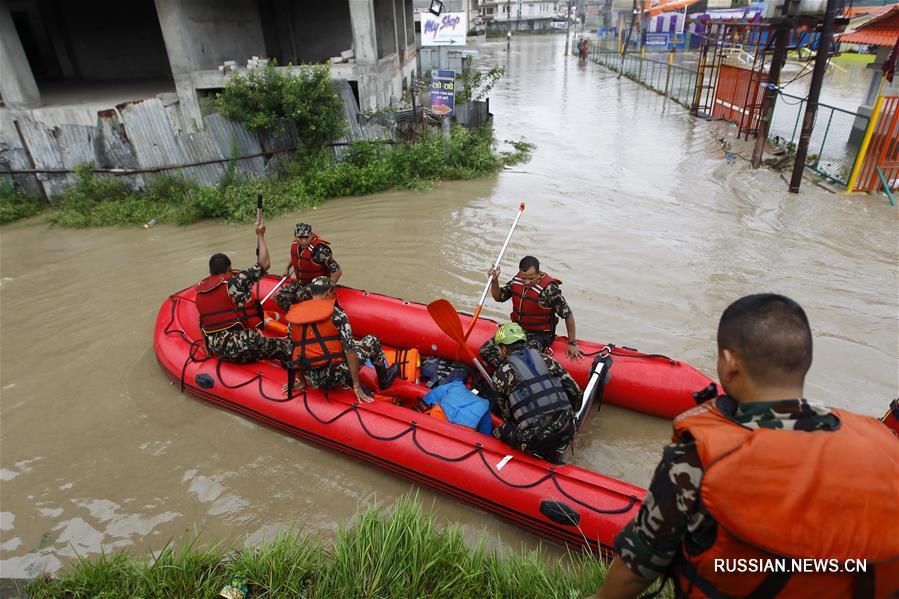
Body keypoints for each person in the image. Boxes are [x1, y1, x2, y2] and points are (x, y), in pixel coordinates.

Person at [590, 294, 899, 599]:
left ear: (729, 364)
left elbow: (639, 563)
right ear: (805, 360)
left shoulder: (699, 455)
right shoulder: (885, 448)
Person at [284, 277, 397, 404]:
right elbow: (350, 350)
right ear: (328, 292)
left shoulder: (295, 317)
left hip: (311, 378)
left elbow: (291, 351)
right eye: (333, 292)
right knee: (372, 340)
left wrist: (301, 381)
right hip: (337, 376)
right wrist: (356, 385)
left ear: (311, 292)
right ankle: (385, 380)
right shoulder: (338, 315)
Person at [195, 224, 291, 365]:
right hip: (242, 348)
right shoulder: (235, 282)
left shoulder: (200, 292)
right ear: (229, 268)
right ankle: (297, 379)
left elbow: (203, 326)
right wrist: (261, 236)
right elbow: (265, 263)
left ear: (211, 272)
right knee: (286, 346)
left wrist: (209, 352)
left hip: (219, 349)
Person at [490, 323, 583, 463]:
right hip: (567, 428)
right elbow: (575, 392)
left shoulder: (500, 374)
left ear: (503, 348)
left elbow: (507, 416)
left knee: (499, 431)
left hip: (539, 441)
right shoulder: (547, 359)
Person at [479, 255, 584, 369]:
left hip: (540, 334)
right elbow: (499, 297)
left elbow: (567, 314)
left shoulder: (550, 290)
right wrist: (494, 281)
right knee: (486, 350)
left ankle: (514, 372)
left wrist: (572, 343)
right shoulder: (517, 281)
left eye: (531, 278)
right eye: (524, 278)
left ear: (538, 274)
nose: (527, 282)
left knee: (524, 358)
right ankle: (506, 373)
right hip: (518, 330)